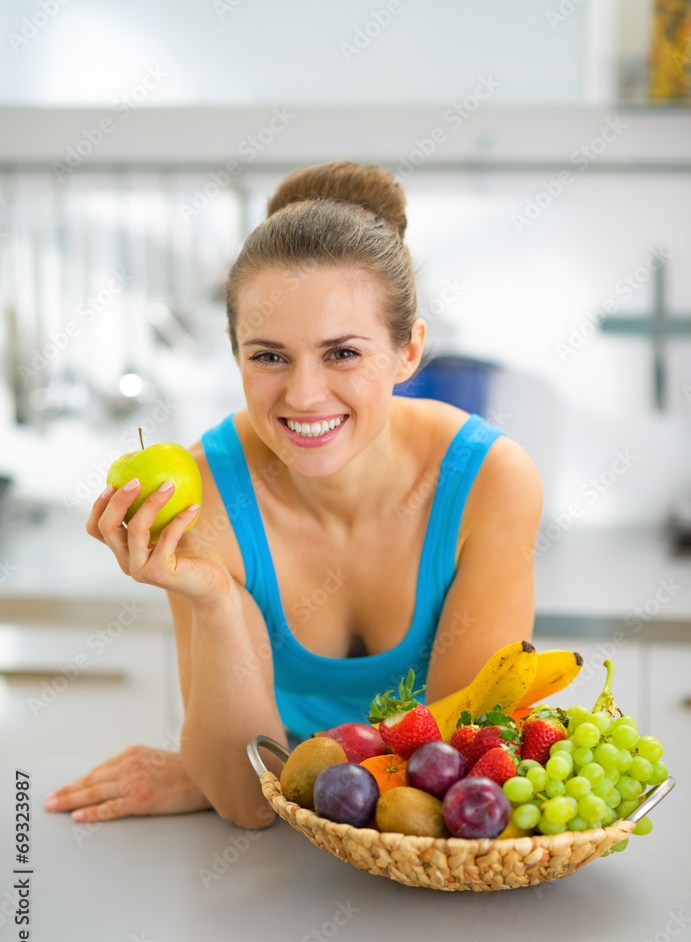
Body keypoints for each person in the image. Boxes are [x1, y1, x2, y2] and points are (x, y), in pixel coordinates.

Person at [42, 160, 543, 829]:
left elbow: (455, 779)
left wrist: (253, 769)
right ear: (234, 351)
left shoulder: (489, 484)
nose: (303, 395)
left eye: (341, 354)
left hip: (441, 888)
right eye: (269, 356)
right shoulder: (205, 497)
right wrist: (214, 598)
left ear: (407, 350)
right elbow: (248, 807)